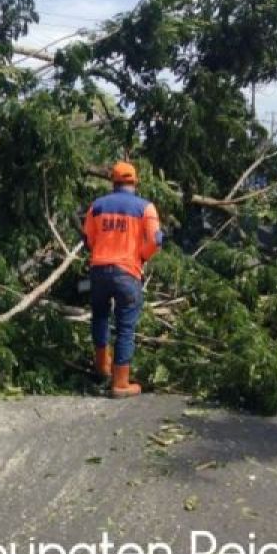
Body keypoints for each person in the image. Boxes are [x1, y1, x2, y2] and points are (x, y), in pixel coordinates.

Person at [82, 161, 163, 398]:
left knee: (99, 317)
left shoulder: (97, 207)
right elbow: (156, 240)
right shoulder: (146, 208)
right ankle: (120, 384)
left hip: (99, 270)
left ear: (113, 182)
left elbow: (89, 240)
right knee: (125, 326)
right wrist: (141, 256)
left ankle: (101, 369)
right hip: (128, 272)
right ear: (134, 183)